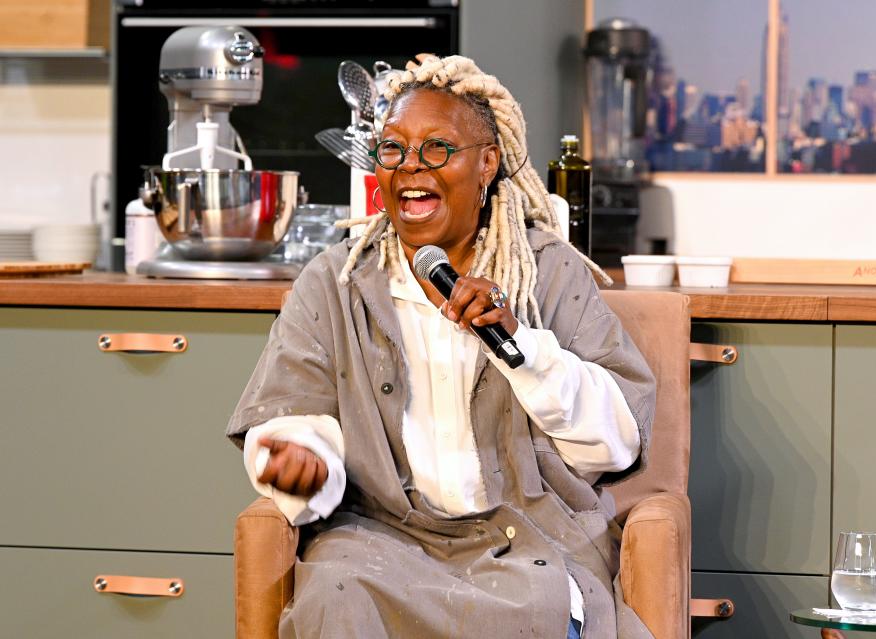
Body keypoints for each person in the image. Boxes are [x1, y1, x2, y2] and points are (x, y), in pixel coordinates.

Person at [227, 54, 656, 639]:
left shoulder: (546, 273)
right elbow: (294, 422)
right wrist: (302, 461)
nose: (410, 167)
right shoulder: (334, 283)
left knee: (542, 606)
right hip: (381, 541)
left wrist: (521, 348)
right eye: (394, 149)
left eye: (436, 149)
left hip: (523, 540)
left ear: (487, 163)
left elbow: (615, 446)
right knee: (334, 593)